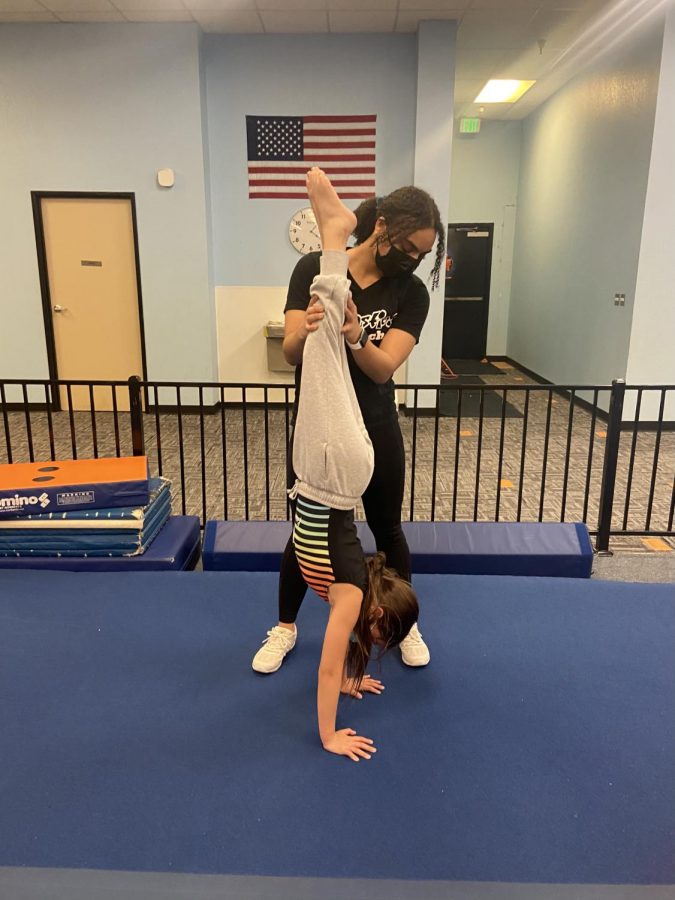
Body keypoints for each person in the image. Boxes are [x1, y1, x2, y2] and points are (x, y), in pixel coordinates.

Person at [252, 175, 445, 676]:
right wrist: (310, 328)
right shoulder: (311, 270)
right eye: (406, 247)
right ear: (379, 226)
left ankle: (405, 622)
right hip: (319, 427)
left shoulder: (412, 293)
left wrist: (358, 336)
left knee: (387, 529)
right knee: (306, 533)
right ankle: (285, 627)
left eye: (420, 254)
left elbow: (384, 368)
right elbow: (292, 352)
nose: (411, 259)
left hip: (374, 424)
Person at [265, 168, 419, 762]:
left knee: (330, 345)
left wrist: (356, 678)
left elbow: (343, 663)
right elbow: (325, 670)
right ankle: (335, 234)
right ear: (374, 613)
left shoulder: (353, 594)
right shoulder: (350, 596)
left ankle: (334, 236)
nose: (371, 641)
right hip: (335, 471)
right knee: (326, 347)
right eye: (380, 636)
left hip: (328, 473)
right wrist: (329, 735)